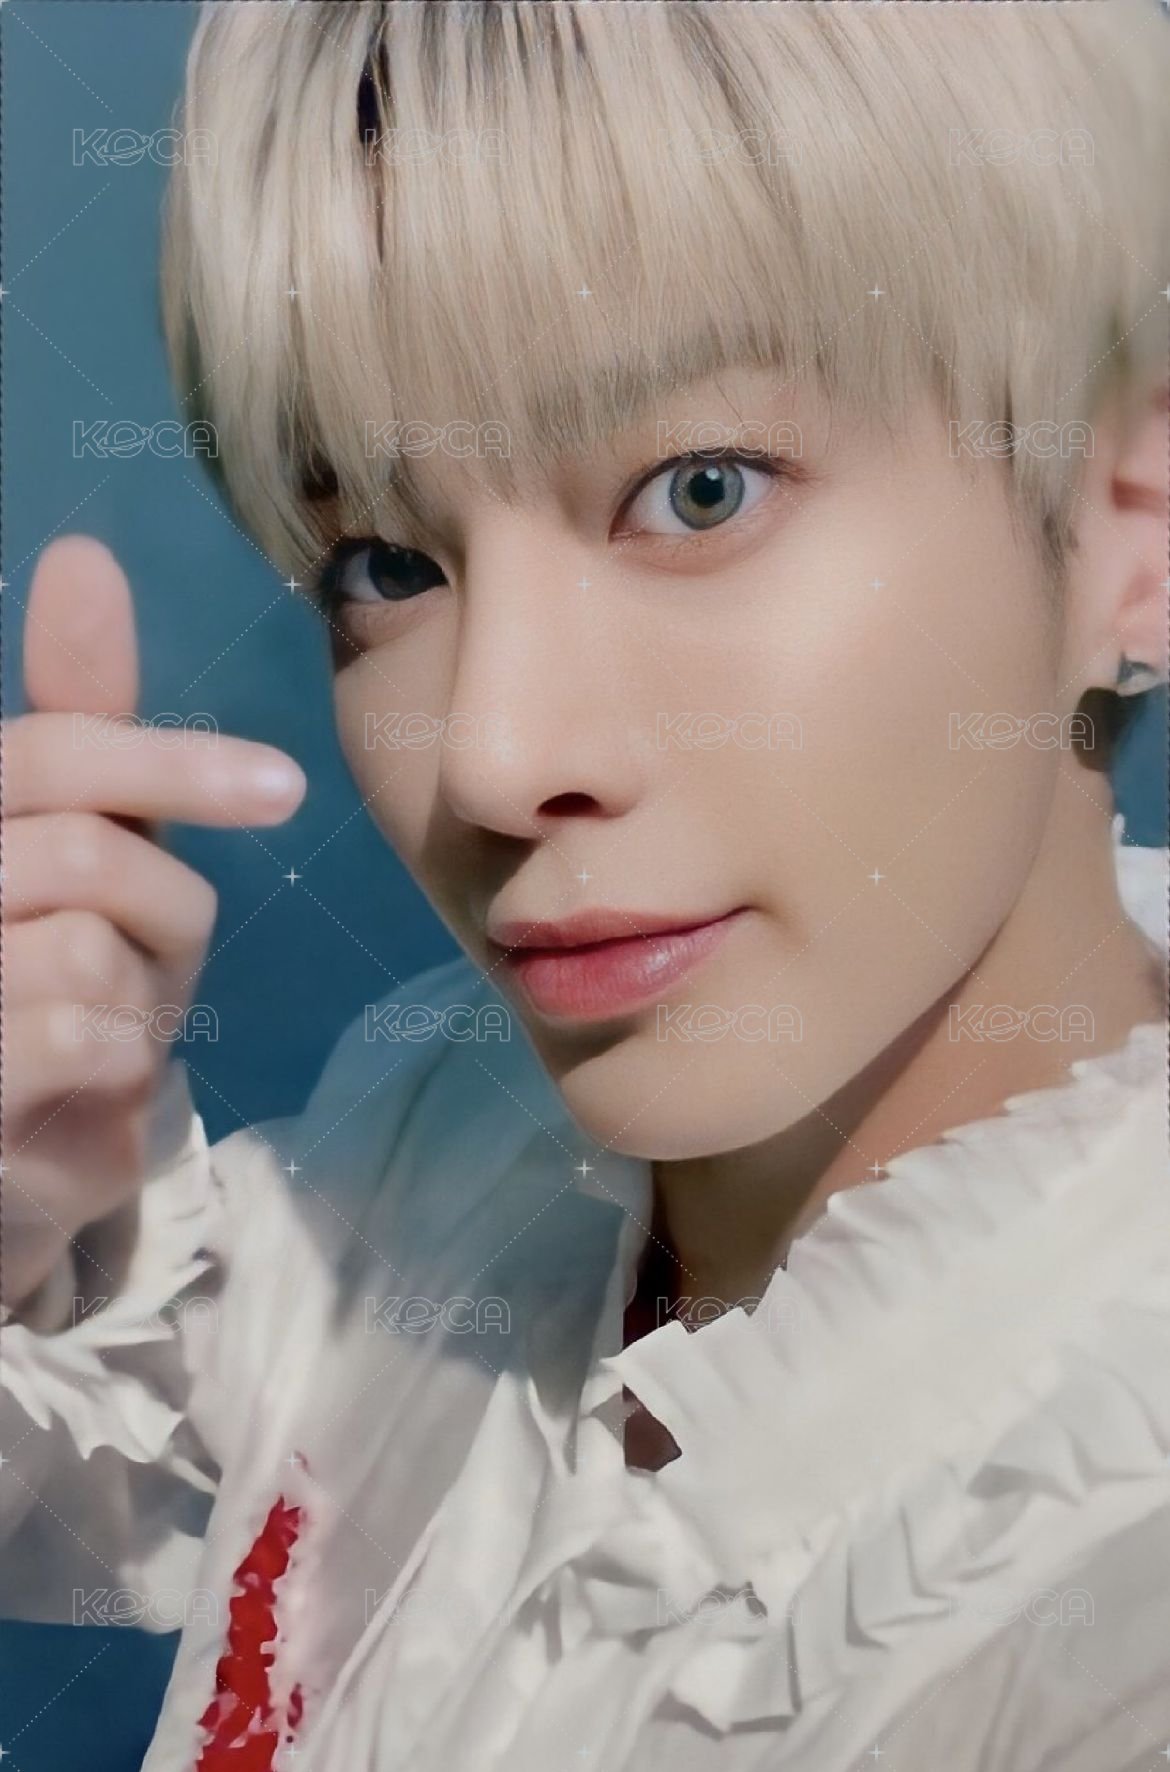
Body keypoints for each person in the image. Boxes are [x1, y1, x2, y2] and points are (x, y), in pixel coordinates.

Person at [2, 3, 1168, 1767]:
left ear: (1131, 528)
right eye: (387, 562)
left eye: (697, 492)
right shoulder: (439, 1142)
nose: (487, 753)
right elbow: (82, 1486)